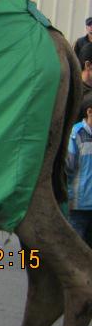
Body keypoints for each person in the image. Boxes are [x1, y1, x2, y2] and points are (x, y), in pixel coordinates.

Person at [67, 94, 92, 247]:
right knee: (75, 248)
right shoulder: (76, 134)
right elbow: (68, 167)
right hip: (79, 205)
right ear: (89, 111)